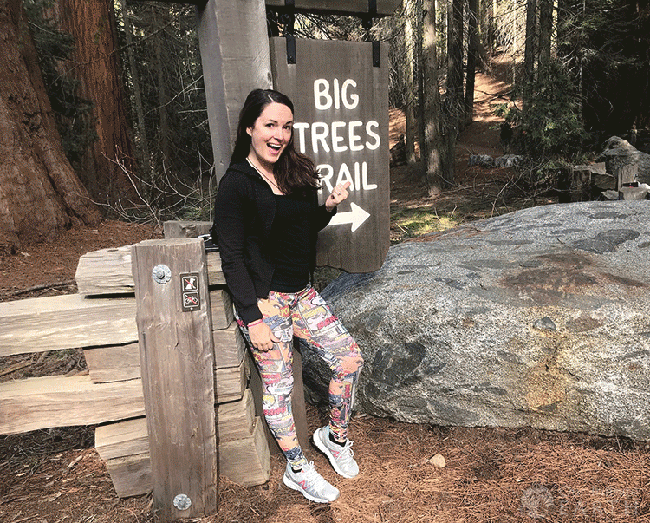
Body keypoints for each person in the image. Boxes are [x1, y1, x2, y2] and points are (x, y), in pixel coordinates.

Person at [212, 88, 364, 503]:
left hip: (303, 295)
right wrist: (253, 317)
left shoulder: (294, 172)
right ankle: (297, 468)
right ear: (249, 128)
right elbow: (232, 257)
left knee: (349, 357)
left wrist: (327, 207)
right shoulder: (236, 186)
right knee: (277, 391)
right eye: (270, 125)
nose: (279, 134)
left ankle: (334, 438)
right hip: (266, 303)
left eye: (286, 126)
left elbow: (296, 228)